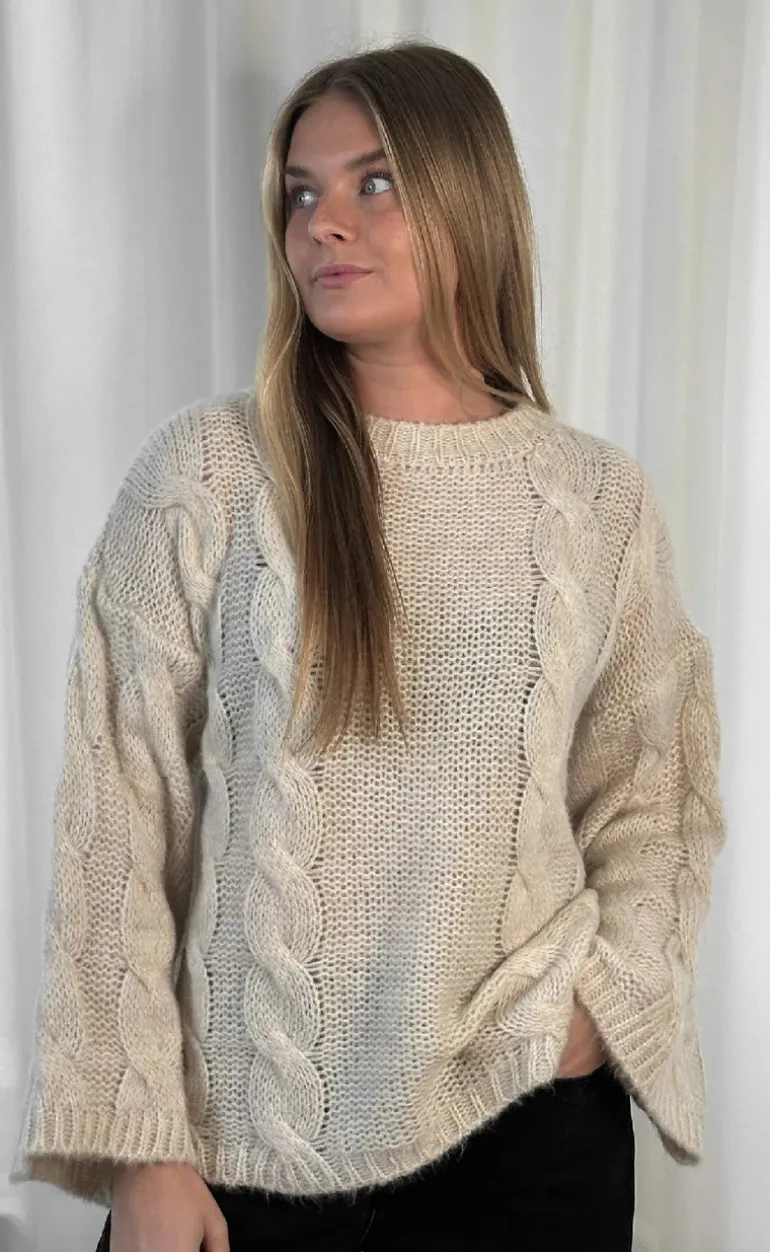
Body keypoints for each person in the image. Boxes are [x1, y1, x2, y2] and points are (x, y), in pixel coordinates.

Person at [10, 37, 726, 1252]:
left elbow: (650, 798)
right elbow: (118, 831)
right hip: (247, 1155)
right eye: (301, 193)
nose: (322, 225)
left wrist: (597, 1011)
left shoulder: (595, 501)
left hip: (528, 1136)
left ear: (467, 198)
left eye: (371, 182)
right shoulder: (209, 475)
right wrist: (143, 1155)